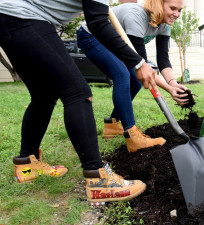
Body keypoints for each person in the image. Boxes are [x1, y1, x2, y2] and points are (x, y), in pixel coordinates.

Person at [0, 0, 162, 204]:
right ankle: (98, 180)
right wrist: (138, 62)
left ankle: (27, 163)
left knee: (44, 95)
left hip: (8, 17)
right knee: (78, 93)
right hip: (23, 18)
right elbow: (98, 23)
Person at [77, 0, 188, 153]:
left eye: (180, 10)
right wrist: (168, 89)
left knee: (135, 80)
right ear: (158, 4)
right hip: (92, 36)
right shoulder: (136, 16)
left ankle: (112, 124)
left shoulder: (164, 25)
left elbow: (163, 59)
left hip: (113, 42)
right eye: (173, 8)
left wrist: (173, 83)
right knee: (122, 74)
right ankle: (132, 135)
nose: (176, 14)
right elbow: (142, 67)